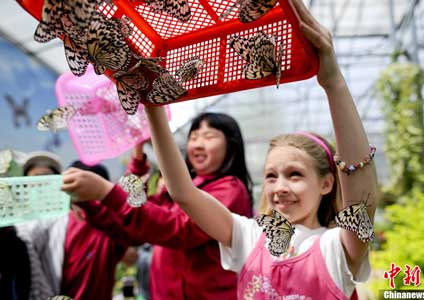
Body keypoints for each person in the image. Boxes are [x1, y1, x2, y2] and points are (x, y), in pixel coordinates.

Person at [138, 1, 378, 299]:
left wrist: (333, 83)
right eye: (270, 176)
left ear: (327, 183)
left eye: (295, 174)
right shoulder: (250, 238)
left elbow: (361, 201)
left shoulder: (334, 248)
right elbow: (184, 193)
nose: (279, 187)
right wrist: (153, 104)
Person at [62, 113, 254, 299]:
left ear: (231, 145)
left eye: (208, 136)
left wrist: (106, 192)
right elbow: (136, 218)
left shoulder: (230, 189)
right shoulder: (182, 189)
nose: (197, 144)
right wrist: (92, 202)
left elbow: (177, 229)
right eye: (193, 137)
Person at [16, 154, 130, 300]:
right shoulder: (48, 227)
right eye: (33, 180)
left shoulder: (110, 230)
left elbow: (131, 243)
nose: (40, 186)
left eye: (46, 178)